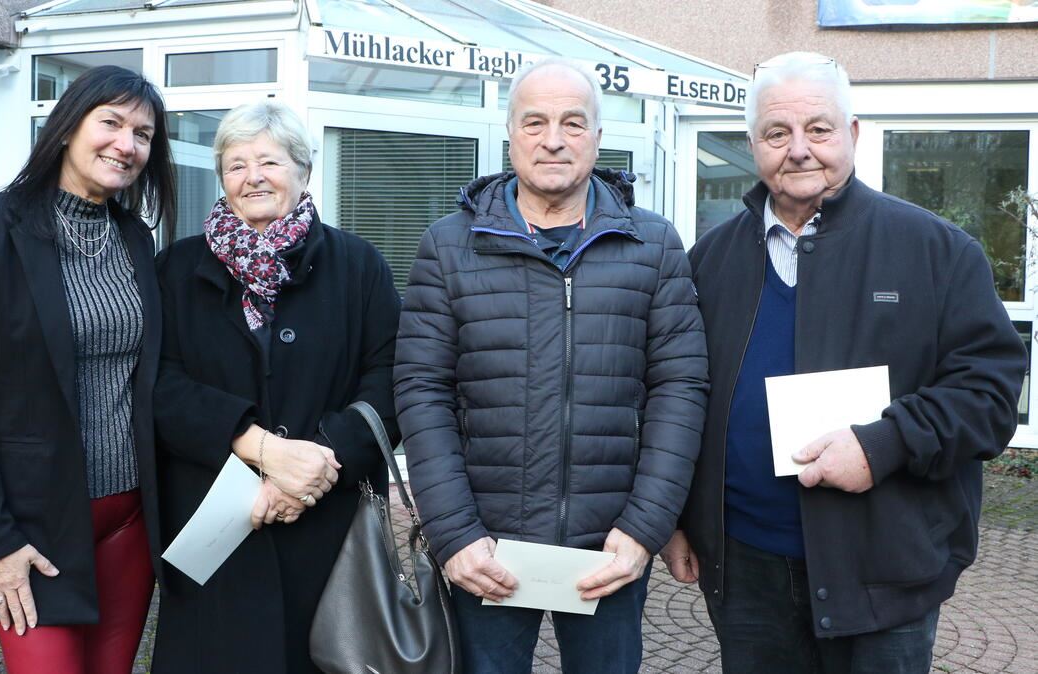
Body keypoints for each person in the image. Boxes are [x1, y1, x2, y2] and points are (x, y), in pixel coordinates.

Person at [663, 51, 1028, 673]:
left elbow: (990, 396)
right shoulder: (709, 262)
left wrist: (884, 444)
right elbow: (678, 395)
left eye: (819, 128)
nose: (799, 149)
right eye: (777, 133)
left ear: (852, 134)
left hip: (884, 568)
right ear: (754, 145)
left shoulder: (938, 252)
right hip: (745, 569)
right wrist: (676, 518)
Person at [394, 57, 709, 674]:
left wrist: (646, 526)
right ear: (510, 134)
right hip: (487, 547)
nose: (554, 139)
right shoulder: (450, 246)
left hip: (607, 547)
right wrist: (454, 534)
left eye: (573, 122)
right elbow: (422, 389)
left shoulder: (653, 244)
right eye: (535, 122)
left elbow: (680, 386)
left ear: (596, 136)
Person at [0, 65, 176, 673]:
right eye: (112, 123)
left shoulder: (135, 240)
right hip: (33, 528)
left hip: (129, 519)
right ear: (69, 126)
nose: (127, 144)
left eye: (143, 134)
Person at [151, 99, 401, 673]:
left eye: (268, 161)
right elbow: (158, 385)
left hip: (330, 524)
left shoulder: (360, 266)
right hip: (212, 525)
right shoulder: (175, 270)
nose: (252, 176)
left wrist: (310, 473)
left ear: (303, 169)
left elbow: (390, 379)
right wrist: (255, 446)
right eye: (235, 164)